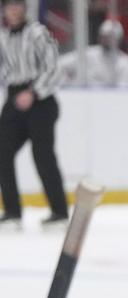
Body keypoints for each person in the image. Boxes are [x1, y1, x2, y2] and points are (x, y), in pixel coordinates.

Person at [0, 0, 67, 230]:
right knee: (2, 151)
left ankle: (59, 212)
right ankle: (12, 212)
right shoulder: (3, 37)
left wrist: (34, 92)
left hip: (41, 100)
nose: (14, 9)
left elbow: (55, 69)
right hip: (14, 97)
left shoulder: (38, 34)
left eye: (18, 4)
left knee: (42, 155)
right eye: (10, 5)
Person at [58, 18, 128, 88]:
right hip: (81, 98)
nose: (106, 40)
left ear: (119, 39)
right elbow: (60, 64)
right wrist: (67, 83)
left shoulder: (125, 62)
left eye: (110, 37)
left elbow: (124, 91)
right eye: (104, 36)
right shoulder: (89, 53)